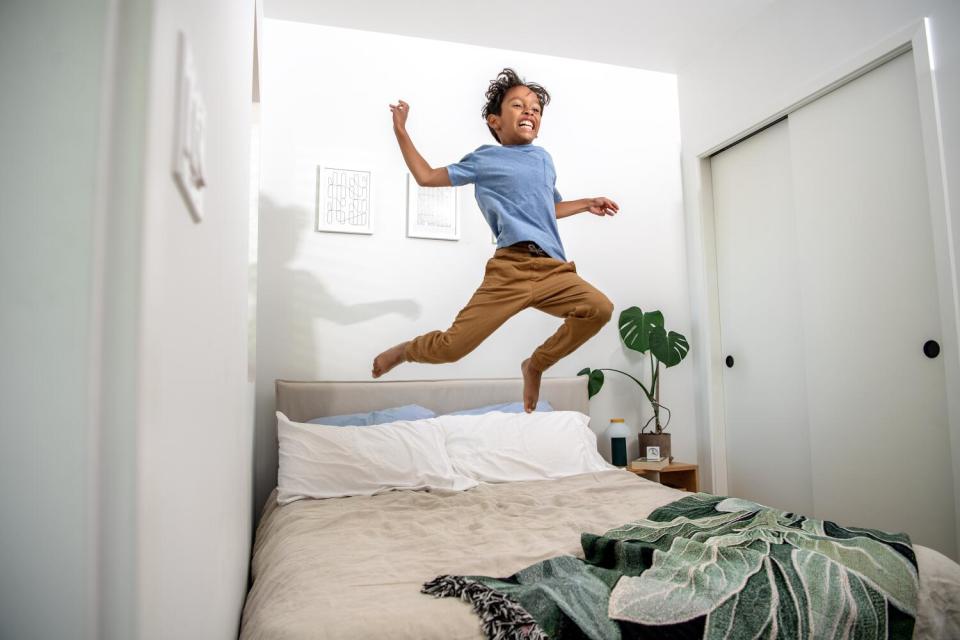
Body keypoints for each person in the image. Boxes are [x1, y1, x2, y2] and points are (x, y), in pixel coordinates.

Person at [372, 68, 618, 412]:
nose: (529, 111)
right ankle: (405, 350)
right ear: (495, 120)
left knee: (599, 308)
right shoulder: (485, 158)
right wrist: (401, 131)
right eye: (518, 105)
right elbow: (427, 177)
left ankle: (536, 364)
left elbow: (548, 208)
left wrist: (586, 203)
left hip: (553, 269)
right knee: (452, 348)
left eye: (535, 108)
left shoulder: (544, 160)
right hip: (509, 270)